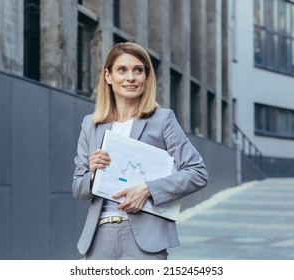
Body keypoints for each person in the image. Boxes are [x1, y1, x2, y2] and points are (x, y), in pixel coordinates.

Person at [72, 42, 208, 260]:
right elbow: (78, 189)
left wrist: (148, 189)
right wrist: (93, 175)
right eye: (122, 70)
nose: (131, 77)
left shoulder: (162, 120)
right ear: (108, 76)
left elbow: (197, 173)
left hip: (145, 241)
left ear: (146, 77)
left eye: (138, 70)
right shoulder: (91, 125)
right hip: (99, 239)